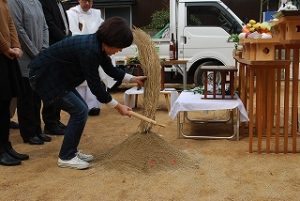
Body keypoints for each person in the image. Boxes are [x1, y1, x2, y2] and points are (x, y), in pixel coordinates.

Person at [29, 17, 146, 170]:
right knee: (80, 111)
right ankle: (66, 157)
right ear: (111, 40)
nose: (120, 51)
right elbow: (95, 86)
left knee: (80, 109)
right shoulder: (90, 50)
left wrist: (133, 78)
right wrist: (118, 107)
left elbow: (110, 70)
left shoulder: (98, 44)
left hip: (58, 78)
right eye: (119, 47)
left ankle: (71, 151)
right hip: (44, 77)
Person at [8, 0, 52, 145]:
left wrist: (44, 49)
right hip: (25, 60)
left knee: (36, 97)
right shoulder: (14, 2)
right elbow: (18, 29)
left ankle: (37, 130)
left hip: (39, 57)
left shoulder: (37, 2)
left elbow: (45, 27)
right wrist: (35, 52)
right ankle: (28, 132)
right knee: (26, 98)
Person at [67, 0, 111, 116]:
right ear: (79, 1)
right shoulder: (72, 13)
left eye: (90, 1)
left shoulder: (96, 13)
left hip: (94, 49)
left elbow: (102, 28)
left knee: (94, 77)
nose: (87, 4)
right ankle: (81, 107)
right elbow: (73, 31)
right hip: (79, 49)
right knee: (80, 80)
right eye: (84, 0)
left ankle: (93, 106)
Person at [0, 0, 29, 166]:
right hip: (3, 53)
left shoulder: (4, 2)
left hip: (7, 56)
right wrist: (6, 48)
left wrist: (16, 46)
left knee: (5, 104)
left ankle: (5, 145)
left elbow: (10, 23)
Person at [38, 0, 71, 135]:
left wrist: (69, 36)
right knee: (52, 87)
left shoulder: (60, 4)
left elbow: (64, 25)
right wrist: (65, 40)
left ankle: (56, 120)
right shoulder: (45, 2)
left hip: (61, 49)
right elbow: (50, 25)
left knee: (59, 87)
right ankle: (50, 123)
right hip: (53, 48)